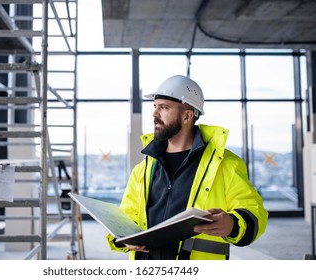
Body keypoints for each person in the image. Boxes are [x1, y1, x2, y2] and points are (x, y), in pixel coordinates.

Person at [106, 75, 268, 260]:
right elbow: (126, 218)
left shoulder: (226, 165)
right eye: (155, 106)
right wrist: (121, 238)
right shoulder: (142, 170)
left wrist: (232, 224)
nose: (154, 114)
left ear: (187, 115)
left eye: (164, 107)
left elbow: (255, 212)